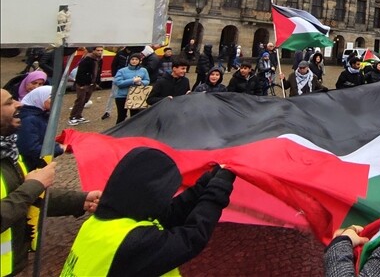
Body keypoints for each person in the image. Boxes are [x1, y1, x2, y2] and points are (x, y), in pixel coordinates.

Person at [61, 148, 235, 276]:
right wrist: (219, 187)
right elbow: (193, 237)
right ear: (149, 194)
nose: (167, 198)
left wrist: (205, 183)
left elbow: (169, 215)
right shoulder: (132, 242)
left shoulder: (101, 225)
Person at [1, 89, 100, 277]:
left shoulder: (9, 154)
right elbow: (27, 192)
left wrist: (80, 200)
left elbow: (28, 197)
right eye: (8, 102)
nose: (19, 104)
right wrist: (32, 186)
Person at [15, 86, 64, 170]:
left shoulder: (40, 114)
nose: (56, 101)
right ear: (40, 98)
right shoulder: (28, 120)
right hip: (29, 167)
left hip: (37, 165)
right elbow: (30, 149)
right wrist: (59, 148)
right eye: (51, 98)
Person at [112, 53, 150, 124]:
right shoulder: (122, 71)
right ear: (129, 60)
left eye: (136, 59)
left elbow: (147, 81)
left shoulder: (143, 70)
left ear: (140, 61)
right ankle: (118, 132)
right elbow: (118, 83)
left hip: (136, 96)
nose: (134, 61)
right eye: (132, 59)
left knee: (135, 116)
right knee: (121, 116)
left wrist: (141, 83)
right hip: (122, 96)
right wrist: (132, 81)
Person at [69, 46, 103, 126]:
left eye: (101, 50)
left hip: (91, 83)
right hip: (83, 83)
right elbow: (80, 72)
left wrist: (97, 81)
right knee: (80, 100)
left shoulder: (99, 60)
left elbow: (98, 71)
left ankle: (78, 115)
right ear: (93, 51)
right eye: (98, 50)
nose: (100, 52)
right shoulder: (87, 59)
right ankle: (72, 117)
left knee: (85, 100)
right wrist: (81, 84)